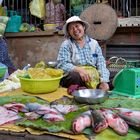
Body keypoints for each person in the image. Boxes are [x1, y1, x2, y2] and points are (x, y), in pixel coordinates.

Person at [56, 16, 110, 91]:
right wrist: (78, 70)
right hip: (77, 77)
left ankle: (97, 87)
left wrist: (104, 81)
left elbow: (101, 63)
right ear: (69, 33)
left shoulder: (94, 43)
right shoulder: (66, 44)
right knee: (74, 76)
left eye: (77, 26)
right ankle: (82, 89)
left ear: (83, 27)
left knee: (111, 77)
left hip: (93, 77)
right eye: (71, 28)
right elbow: (61, 64)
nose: (75, 30)